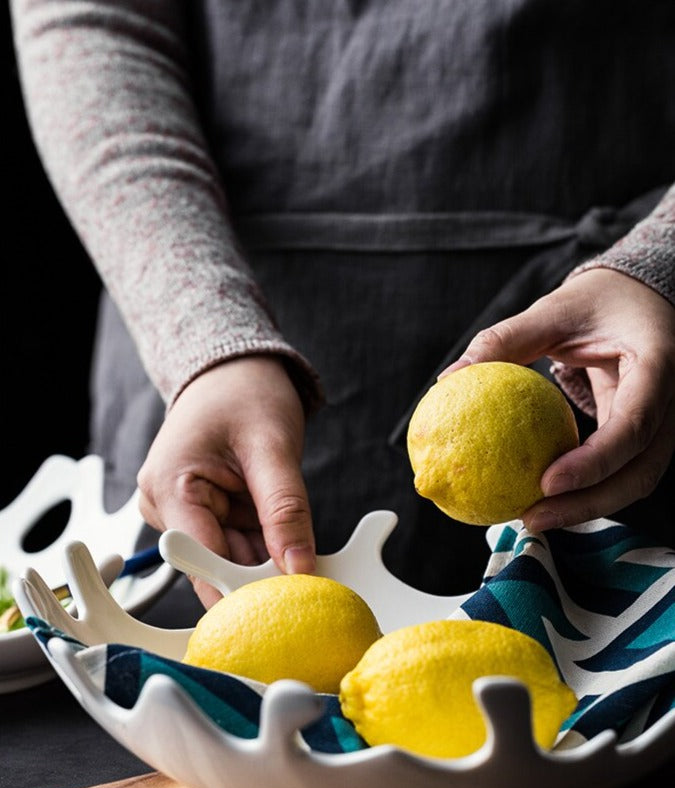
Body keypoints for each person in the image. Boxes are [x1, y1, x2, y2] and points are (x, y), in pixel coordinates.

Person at [10, 0, 674, 616]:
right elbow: (89, 18)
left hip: (619, 363)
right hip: (207, 349)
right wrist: (206, 341)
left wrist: (657, 263)